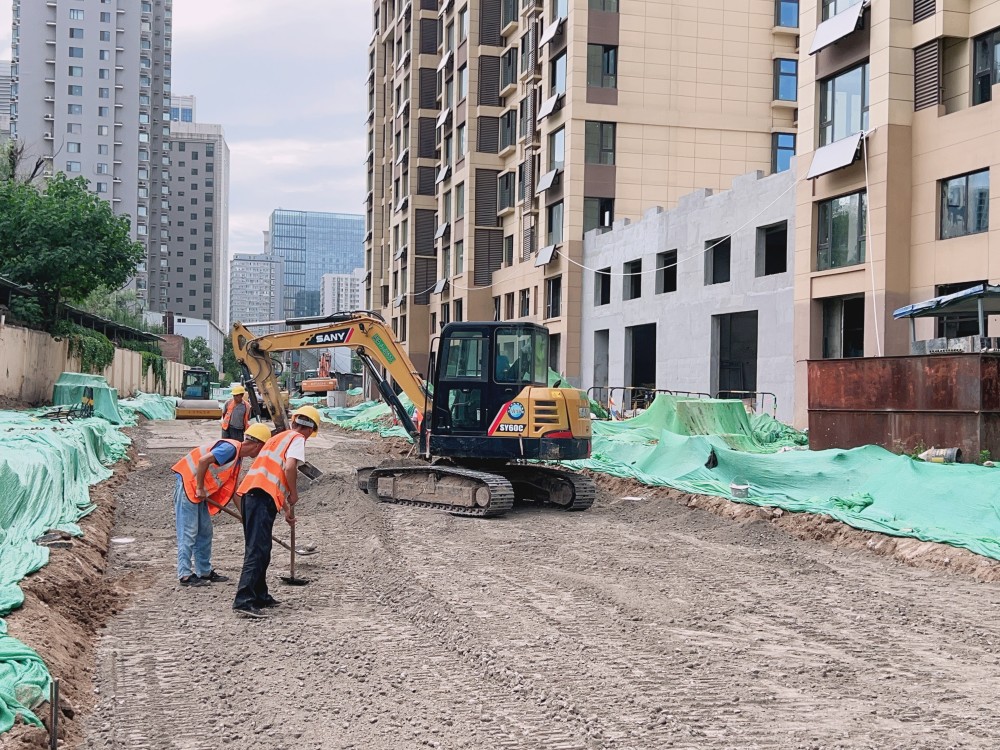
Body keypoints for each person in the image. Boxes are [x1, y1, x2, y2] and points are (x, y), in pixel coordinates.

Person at [232, 405, 320, 618]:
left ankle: (260, 595)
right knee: (257, 550)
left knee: (262, 548)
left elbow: (271, 477)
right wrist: (294, 493)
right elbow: (289, 468)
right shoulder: (297, 439)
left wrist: (287, 509)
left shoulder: (278, 438)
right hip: (259, 498)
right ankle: (244, 600)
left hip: (254, 496)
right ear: (309, 429)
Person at [172, 423, 272, 587]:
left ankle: (204, 572)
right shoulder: (230, 449)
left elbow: (234, 492)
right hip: (189, 487)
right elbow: (203, 461)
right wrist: (199, 487)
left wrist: (244, 517)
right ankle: (184, 575)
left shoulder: (237, 458)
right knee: (189, 532)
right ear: (258, 445)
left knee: (205, 532)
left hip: (199, 492)